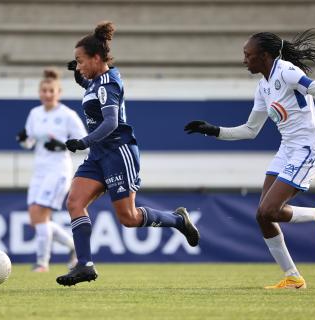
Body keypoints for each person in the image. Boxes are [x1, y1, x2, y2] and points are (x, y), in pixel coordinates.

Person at [56, 21, 200, 286]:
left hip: (118, 154)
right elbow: (95, 96)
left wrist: (84, 141)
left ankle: (178, 220)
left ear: (97, 58)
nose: (78, 66)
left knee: (129, 218)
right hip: (99, 155)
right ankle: (84, 265)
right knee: (74, 203)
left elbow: (110, 122)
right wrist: (80, 76)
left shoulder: (106, 84)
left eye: (80, 61)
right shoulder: (97, 80)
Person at [184, 30, 315, 289]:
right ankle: (293, 277)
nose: (244, 60)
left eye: (247, 55)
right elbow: (250, 130)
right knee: (263, 216)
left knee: (270, 210)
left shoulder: (287, 71)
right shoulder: (263, 86)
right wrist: (213, 130)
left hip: (307, 149)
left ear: (264, 56)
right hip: (287, 149)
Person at [16, 68, 87, 272]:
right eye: (44, 91)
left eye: (51, 91)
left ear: (59, 93)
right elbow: (30, 142)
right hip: (39, 170)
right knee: (36, 219)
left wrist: (63, 145)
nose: (47, 94)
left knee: (40, 214)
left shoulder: (67, 115)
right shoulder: (34, 114)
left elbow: (86, 142)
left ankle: (42, 263)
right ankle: (73, 247)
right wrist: (23, 140)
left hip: (58, 171)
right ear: (40, 93)